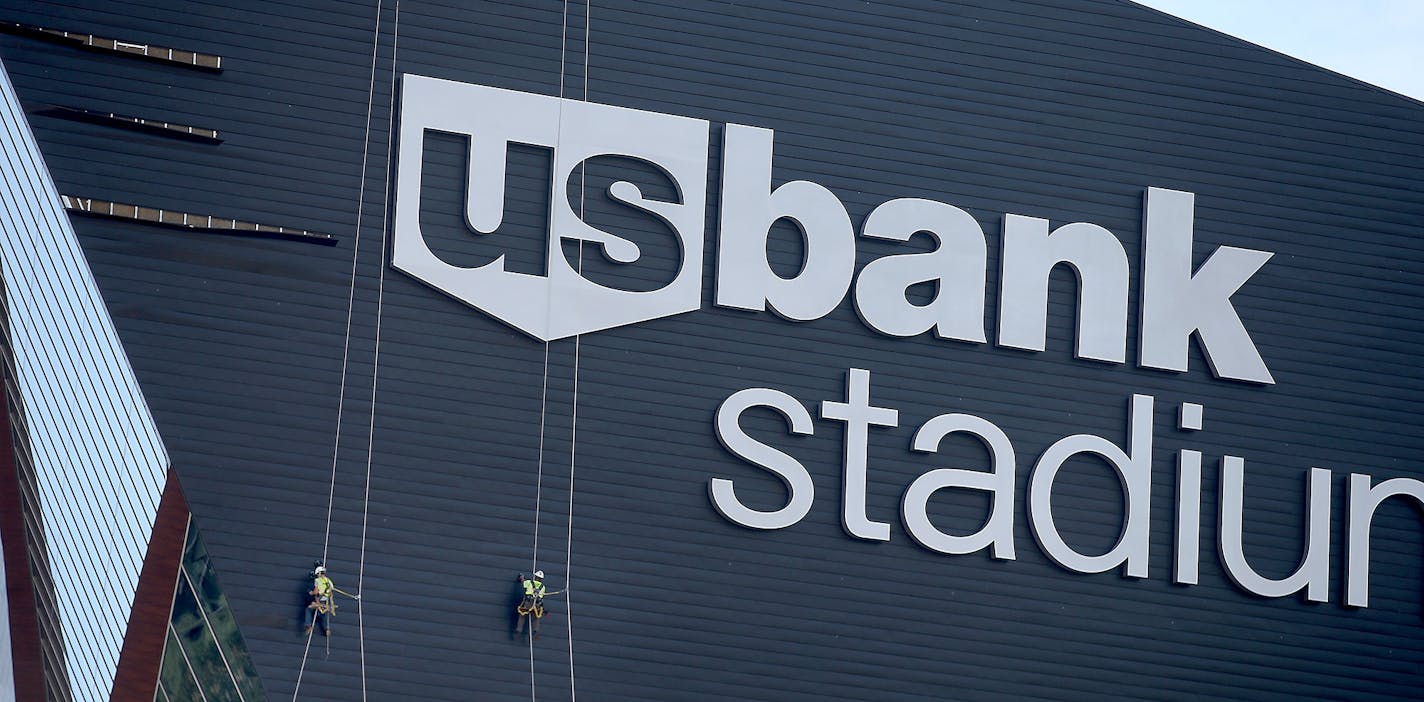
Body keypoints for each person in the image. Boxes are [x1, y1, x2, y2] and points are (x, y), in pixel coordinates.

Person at [514, 570, 550, 640]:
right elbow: (541, 597)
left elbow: (522, 581)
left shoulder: (529, 582)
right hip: (537, 605)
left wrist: (521, 577)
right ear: (541, 579)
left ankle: (518, 631)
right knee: (536, 618)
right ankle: (535, 632)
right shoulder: (543, 587)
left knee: (522, 616)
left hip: (528, 603)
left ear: (535, 577)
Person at [304, 565, 335, 637]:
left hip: (319, 600)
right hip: (325, 600)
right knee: (323, 614)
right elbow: (331, 590)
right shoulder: (328, 580)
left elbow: (316, 591)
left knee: (308, 609)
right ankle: (327, 628)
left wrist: (311, 592)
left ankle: (308, 625)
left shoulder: (317, 580)